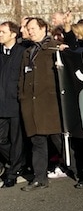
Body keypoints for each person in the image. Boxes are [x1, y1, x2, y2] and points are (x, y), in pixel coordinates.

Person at [19, 18, 63, 191]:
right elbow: (22, 77)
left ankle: (80, 171)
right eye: (28, 29)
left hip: (50, 104)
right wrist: (22, 96)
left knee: (58, 140)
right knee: (37, 141)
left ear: (44, 28)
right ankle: (40, 178)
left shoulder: (55, 48)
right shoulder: (28, 51)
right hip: (31, 103)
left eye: (33, 28)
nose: (31, 32)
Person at [0, 21, 27, 187]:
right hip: (1, 103)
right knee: (1, 139)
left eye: (3, 32)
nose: (0, 35)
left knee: (17, 140)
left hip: (16, 103)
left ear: (13, 34)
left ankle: (13, 171)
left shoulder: (22, 52)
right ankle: (18, 161)